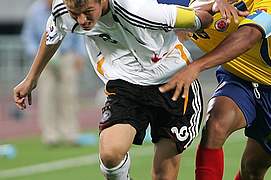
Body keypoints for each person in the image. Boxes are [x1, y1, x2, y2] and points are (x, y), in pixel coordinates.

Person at [13, 0, 238, 179]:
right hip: (125, 85)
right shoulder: (63, 7)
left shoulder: (139, 9)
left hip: (173, 82)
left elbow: (200, 19)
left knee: (163, 174)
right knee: (110, 155)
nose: (81, 21)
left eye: (88, 11)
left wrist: (214, 6)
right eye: (75, 14)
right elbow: (53, 33)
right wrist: (31, 78)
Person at [160, 0, 271, 179]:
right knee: (215, 125)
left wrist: (197, 66)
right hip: (237, 78)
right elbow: (174, 25)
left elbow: (249, 34)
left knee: (253, 170)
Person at [21, 0, 89, 147]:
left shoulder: (68, 5)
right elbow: (28, 36)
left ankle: (70, 134)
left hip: (66, 56)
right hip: (45, 59)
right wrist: (38, 56)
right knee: (47, 96)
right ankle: (50, 135)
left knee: (69, 96)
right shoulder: (34, 11)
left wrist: (79, 54)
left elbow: (79, 30)